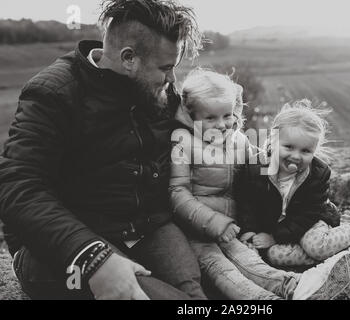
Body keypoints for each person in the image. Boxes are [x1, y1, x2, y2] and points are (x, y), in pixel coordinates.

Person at [0, 0, 206, 300]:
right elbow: (18, 186)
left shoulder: (154, 91)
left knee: (197, 299)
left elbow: (197, 137)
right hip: (61, 248)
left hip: (145, 230)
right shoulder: (53, 92)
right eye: (166, 68)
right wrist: (91, 256)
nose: (172, 79)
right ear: (129, 59)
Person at [169, 70, 350, 300]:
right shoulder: (182, 145)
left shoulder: (239, 140)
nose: (222, 125)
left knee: (248, 261)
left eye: (227, 115)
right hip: (196, 231)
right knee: (220, 270)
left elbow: (260, 169)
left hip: (234, 229)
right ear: (191, 116)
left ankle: (293, 287)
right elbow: (177, 193)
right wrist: (214, 222)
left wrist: (290, 169)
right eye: (210, 118)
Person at [236, 99, 350, 272]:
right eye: (289, 147)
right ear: (273, 141)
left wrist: (275, 236)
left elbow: (307, 215)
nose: (296, 156)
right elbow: (247, 204)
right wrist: (249, 231)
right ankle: (339, 251)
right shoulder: (255, 169)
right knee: (274, 256)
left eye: (305, 151)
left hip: (308, 222)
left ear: (314, 151)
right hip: (277, 226)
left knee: (315, 247)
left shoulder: (317, 175)